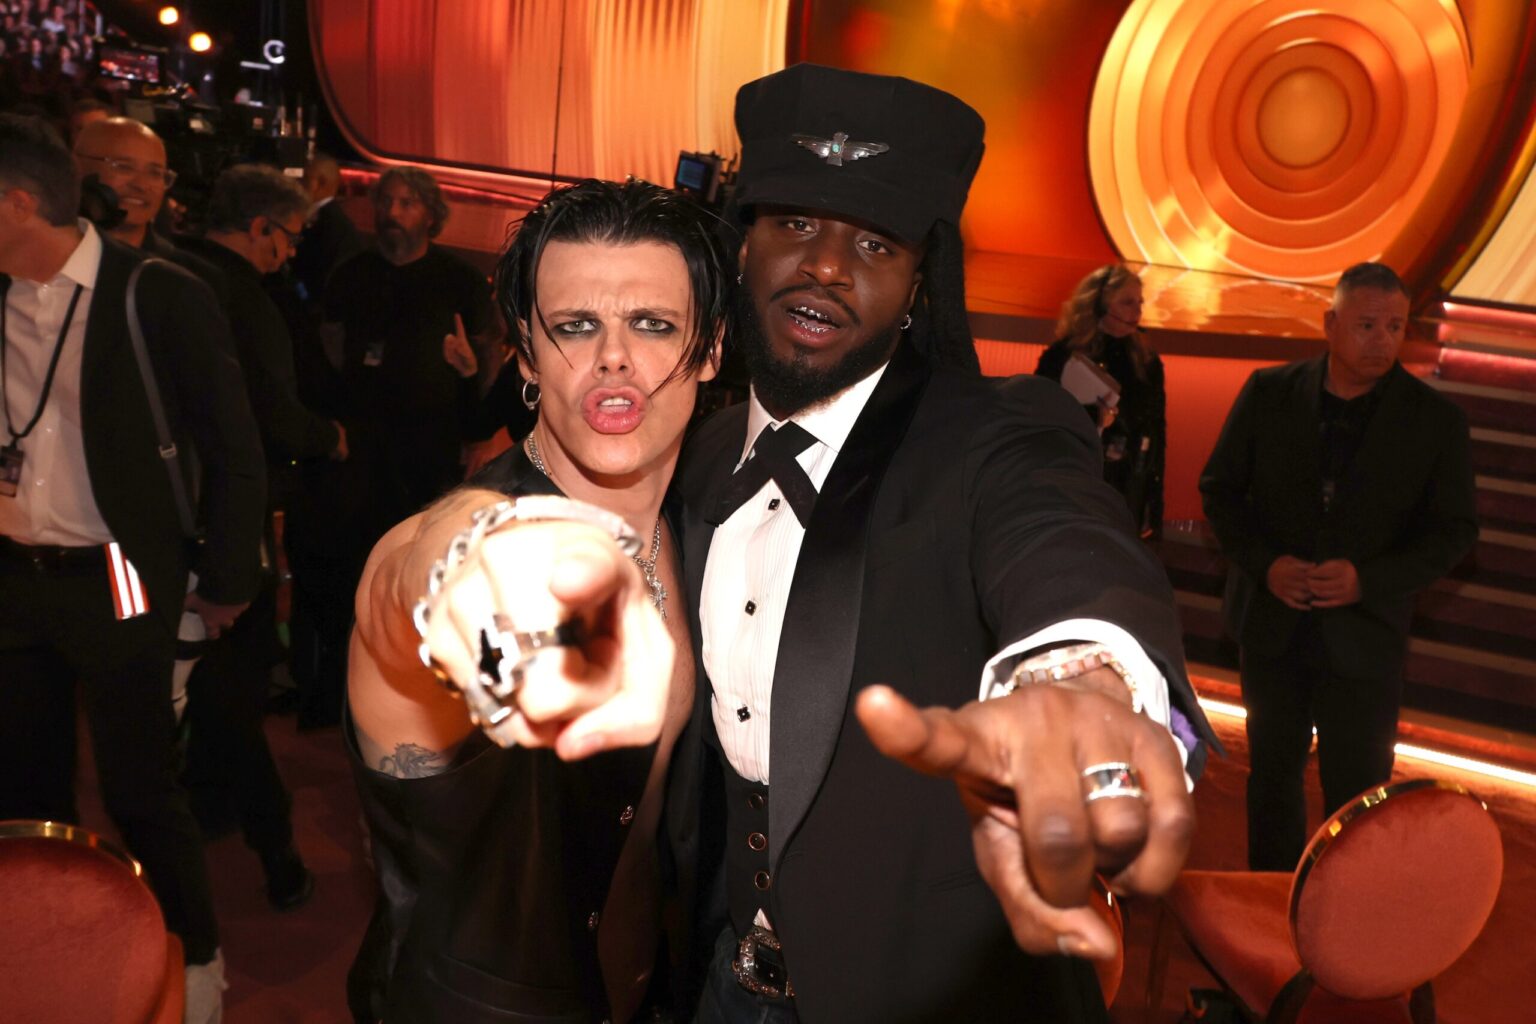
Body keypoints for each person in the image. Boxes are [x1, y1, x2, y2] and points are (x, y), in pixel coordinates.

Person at [347, 177, 726, 1024]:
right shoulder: (446, 548)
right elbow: (416, 577)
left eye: (655, 325)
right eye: (575, 326)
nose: (614, 358)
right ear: (524, 352)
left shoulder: (703, 536)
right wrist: (473, 566)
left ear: (710, 350)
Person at [0, 112, 266, 1023]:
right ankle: (37, 959)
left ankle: (196, 967)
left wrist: (227, 582)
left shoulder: (157, 291)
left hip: (117, 567)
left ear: (18, 202)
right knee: (20, 784)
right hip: (12, 575)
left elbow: (235, 448)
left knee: (139, 784)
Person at [1200, 261, 1477, 872]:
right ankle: (1271, 910)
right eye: (1367, 325)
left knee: (1357, 796)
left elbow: (1455, 531)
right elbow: (1220, 491)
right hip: (1273, 628)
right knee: (1271, 777)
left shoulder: (1435, 420)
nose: (1382, 340)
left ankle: (1353, 932)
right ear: (1330, 324)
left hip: (1366, 636)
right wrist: (1265, 565)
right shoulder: (1269, 392)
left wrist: (1368, 580)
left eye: (1395, 326)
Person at [177, 163, 351, 911]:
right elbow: (270, 422)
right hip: (227, 523)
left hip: (157, 525)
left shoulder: (160, 272)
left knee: (193, 680)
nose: (289, 253)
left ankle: (210, 809)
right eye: (286, 237)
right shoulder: (247, 300)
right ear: (259, 229)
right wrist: (330, 438)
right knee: (231, 685)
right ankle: (275, 850)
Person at [323, 164, 494, 542]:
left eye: (407, 204)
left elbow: (484, 358)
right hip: (362, 437)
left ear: (430, 215)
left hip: (431, 439)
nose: (393, 213)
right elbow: (330, 343)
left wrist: (477, 437)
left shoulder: (460, 280)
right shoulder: (351, 274)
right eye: (385, 202)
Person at [1036, 264, 1165, 537]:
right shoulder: (1063, 356)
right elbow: (1039, 416)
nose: (1138, 311)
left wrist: (1154, 500)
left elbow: (1157, 429)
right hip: (1076, 477)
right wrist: (1093, 415)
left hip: (1127, 481)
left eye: (1140, 302)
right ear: (1098, 305)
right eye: (1128, 302)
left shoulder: (1146, 359)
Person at [291, 152, 362, 311]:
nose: (299, 185)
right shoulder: (333, 220)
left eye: (305, 179)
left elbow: (313, 275)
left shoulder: (327, 224)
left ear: (320, 183)